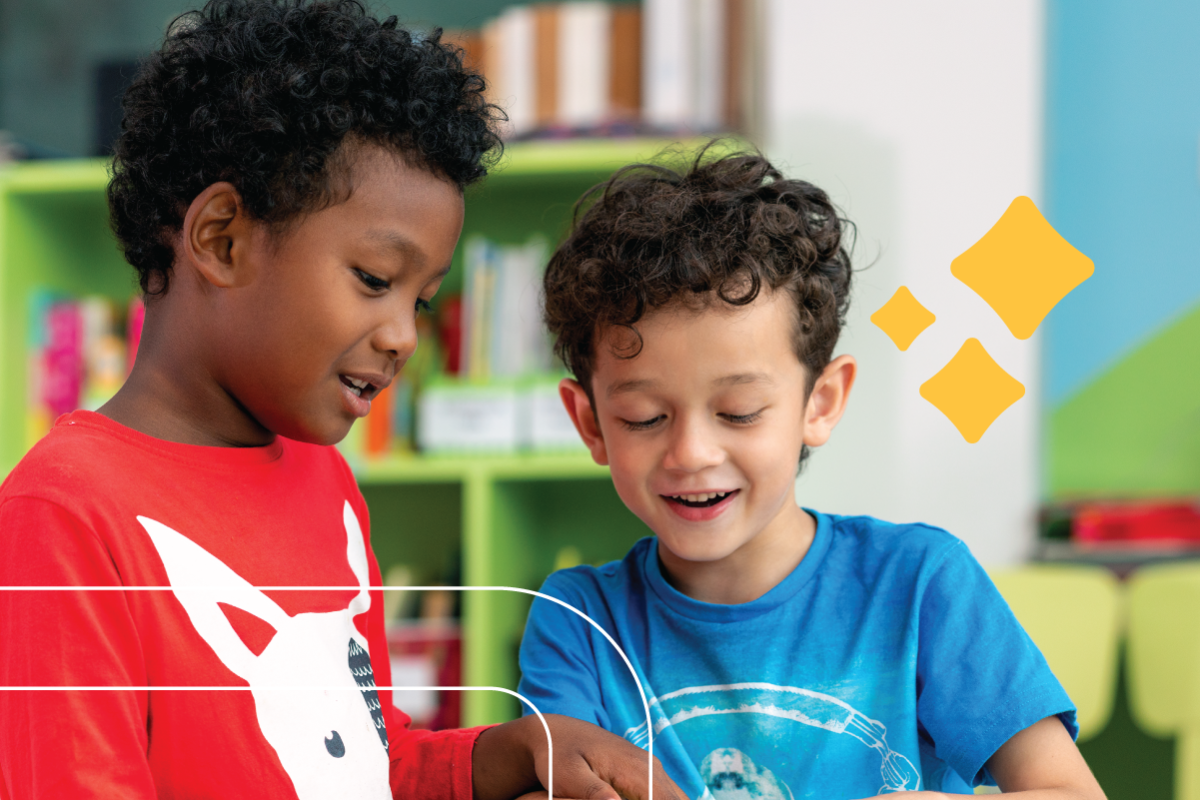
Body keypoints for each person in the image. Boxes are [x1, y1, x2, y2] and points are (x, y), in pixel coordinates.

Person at [0, 2, 685, 799]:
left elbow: (357, 760)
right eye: (373, 280)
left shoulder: (326, 482)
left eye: (422, 302)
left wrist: (509, 752)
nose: (402, 337)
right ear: (222, 238)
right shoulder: (63, 515)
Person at [516, 146, 1107, 800]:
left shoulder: (919, 584)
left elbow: (1070, 792)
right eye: (645, 417)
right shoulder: (579, 620)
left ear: (819, 404)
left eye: (738, 412)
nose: (691, 453)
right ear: (591, 422)